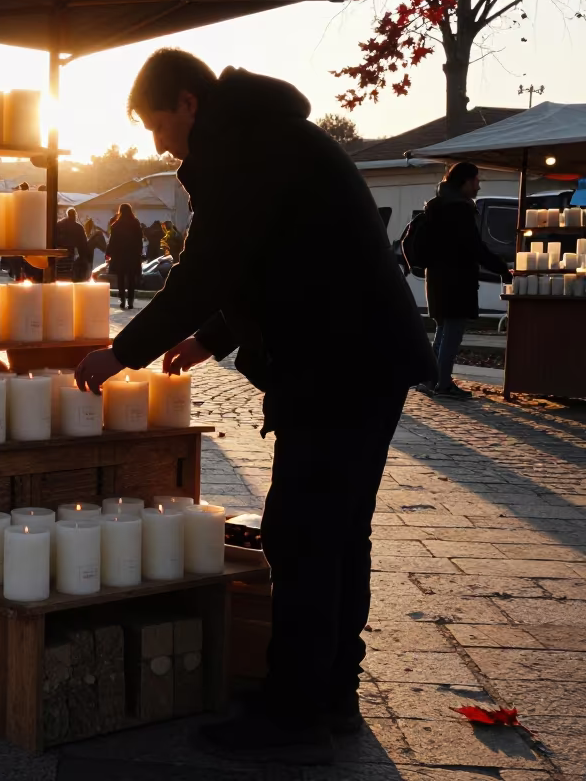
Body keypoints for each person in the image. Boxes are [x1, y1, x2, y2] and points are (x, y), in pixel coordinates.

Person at [74, 49, 435, 763]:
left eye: (158, 126)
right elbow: (276, 258)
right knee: (337, 534)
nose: (159, 145)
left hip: (339, 362)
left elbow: (208, 265)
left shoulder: (243, 143)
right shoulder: (265, 135)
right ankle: (330, 694)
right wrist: (213, 337)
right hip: (361, 355)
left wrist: (123, 352)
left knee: (300, 535)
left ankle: (295, 717)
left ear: (187, 103)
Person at [417, 162, 512, 400]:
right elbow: (474, 247)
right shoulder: (459, 209)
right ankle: (444, 384)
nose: (478, 186)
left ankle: (432, 379)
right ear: (465, 182)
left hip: (437, 277)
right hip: (456, 279)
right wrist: (502, 268)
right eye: (476, 181)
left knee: (442, 329)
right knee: (453, 331)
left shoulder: (437, 205)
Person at [105, 203, 144, 309]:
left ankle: (122, 300)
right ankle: (130, 301)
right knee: (131, 278)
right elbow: (140, 239)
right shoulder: (135, 223)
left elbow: (112, 241)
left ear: (120, 211)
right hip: (132, 255)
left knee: (121, 278)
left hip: (120, 255)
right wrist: (140, 252)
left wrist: (108, 253)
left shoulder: (117, 225)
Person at [55, 207, 92, 282]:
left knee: (59, 273)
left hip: (58, 252)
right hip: (71, 253)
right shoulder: (78, 227)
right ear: (75, 215)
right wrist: (83, 257)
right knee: (69, 273)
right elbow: (83, 244)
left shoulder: (59, 224)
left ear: (67, 214)